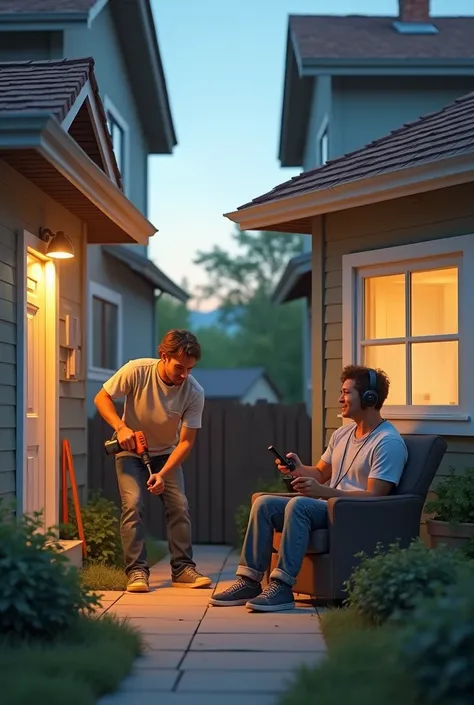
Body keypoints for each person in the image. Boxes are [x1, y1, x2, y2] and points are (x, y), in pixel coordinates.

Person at [210, 365, 408, 612]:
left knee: (300, 504)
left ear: (370, 398)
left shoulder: (387, 442)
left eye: (346, 393)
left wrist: (325, 493)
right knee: (264, 503)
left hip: (353, 514)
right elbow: (320, 474)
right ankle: (249, 581)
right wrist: (298, 468)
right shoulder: (342, 434)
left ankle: (282, 587)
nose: (340, 399)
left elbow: (375, 496)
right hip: (329, 506)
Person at [94, 329, 211, 593]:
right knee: (133, 504)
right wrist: (121, 428)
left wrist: (163, 473)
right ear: (163, 356)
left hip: (166, 454)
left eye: (190, 369)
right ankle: (136, 572)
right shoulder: (137, 370)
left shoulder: (194, 392)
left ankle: (182, 569)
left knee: (179, 505)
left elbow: (186, 442)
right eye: (179, 367)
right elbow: (101, 398)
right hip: (129, 449)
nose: (184, 375)